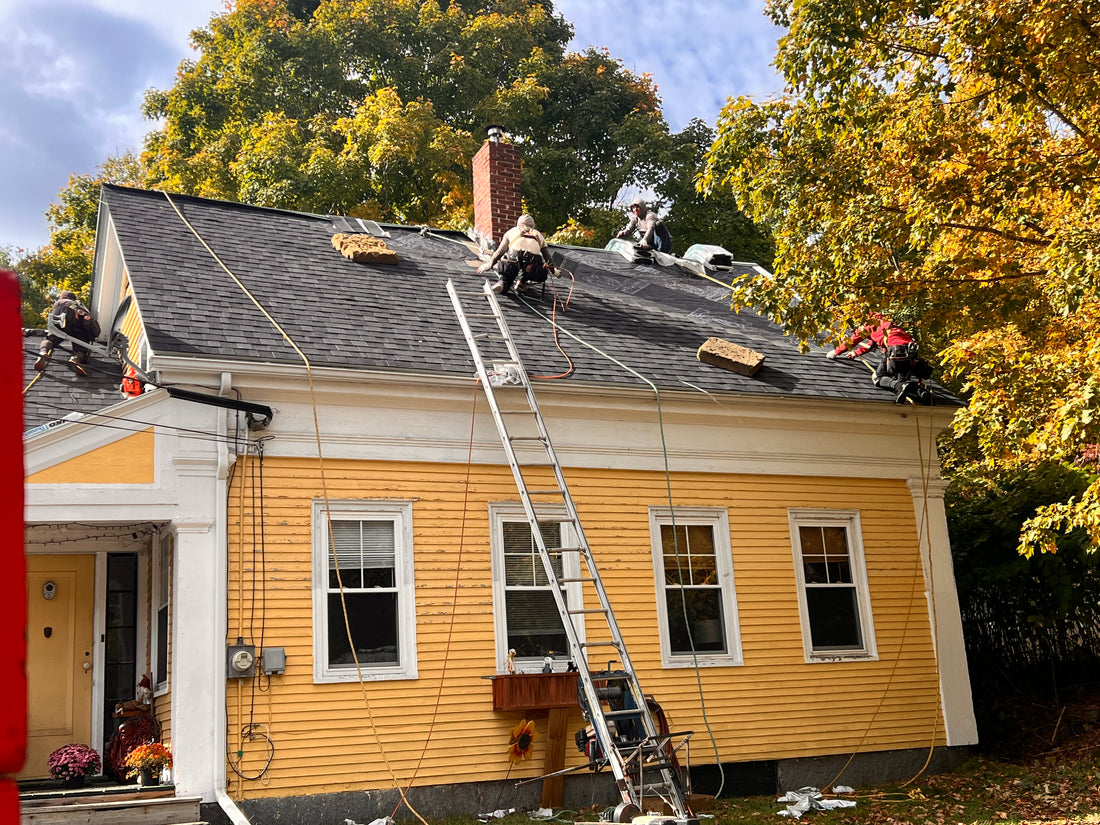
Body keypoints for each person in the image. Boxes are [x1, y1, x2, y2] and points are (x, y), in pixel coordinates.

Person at [827, 313, 933, 404]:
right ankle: (921, 392)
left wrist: (835, 352)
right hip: (911, 353)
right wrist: (856, 352)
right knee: (902, 377)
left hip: (895, 352)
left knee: (878, 377)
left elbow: (851, 342)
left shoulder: (865, 325)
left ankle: (900, 386)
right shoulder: (885, 323)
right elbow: (873, 343)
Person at [477, 214, 555, 295]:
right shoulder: (539, 234)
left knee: (507, 271)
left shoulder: (512, 231)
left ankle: (502, 283)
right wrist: (553, 271)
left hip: (513, 260)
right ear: (533, 225)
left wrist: (489, 265)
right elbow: (548, 259)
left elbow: (500, 252)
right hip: (532, 267)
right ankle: (522, 282)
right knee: (535, 267)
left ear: (519, 223)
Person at [35, 290, 101, 376]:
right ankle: (75, 359)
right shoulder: (77, 304)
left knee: (51, 337)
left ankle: (43, 352)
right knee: (81, 343)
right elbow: (85, 319)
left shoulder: (58, 303)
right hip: (76, 320)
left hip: (60, 319)